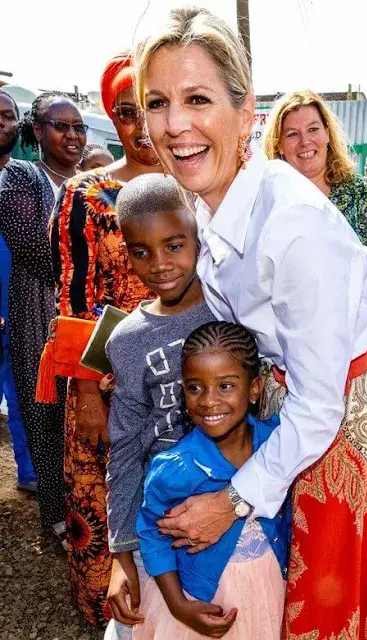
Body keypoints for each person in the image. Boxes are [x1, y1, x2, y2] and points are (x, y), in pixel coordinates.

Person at [135, 8, 367, 638]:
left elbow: (317, 409)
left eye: (197, 99)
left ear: (244, 110)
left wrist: (232, 503)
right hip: (284, 407)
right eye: (158, 102)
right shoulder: (209, 205)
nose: (175, 125)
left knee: (323, 605)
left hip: (337, 423)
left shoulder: (292, 224)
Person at [50, 52, 160, 627]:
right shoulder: (86, 195)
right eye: (126, 112)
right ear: (110, 117)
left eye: (151, 108)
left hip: (179, 376)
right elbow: (74, 302)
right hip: (108, 382)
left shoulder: (193, 186)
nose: (141, 126)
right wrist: (88, 391)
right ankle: (109, 615)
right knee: (105, 494)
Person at [103, 174, 217, 639]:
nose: (160, 265)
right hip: (163, 524)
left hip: (240, 508)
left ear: (197, 234)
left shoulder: (232, 308)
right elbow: (126, 450)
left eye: (174, 245)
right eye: (141, 251)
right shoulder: (128, 340)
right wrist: (121, 554)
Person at [262, 90, 367, 410]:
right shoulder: (266, 206)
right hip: (290, 379)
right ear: (278, 145)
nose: (305, 142)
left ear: (328, 135)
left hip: (360, 374)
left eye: (313, 129)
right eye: (292, 134)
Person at [135, 320, 289, 640]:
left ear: (255, 389)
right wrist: (177, 605)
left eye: (225, 385)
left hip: (270, 585)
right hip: (196, 599)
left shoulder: (278, 445)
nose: (208, 400)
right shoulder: (173, 468)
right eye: (195, 387)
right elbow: (152, 533)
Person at [0, 92, 86, 541]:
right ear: (37, 131)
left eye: (78, 127)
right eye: (61, 126)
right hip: (40, 320)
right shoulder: (19, 178)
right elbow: (37, 254)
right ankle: (57, 517)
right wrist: (93, 256)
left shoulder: (95, 177)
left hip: (87, 321)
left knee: (91, 419)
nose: (72, 136)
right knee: (45, 417)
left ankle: (95, 512)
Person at [0, 90, 36, 492]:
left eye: (8, 115)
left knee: (23, 388)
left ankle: (30, 472)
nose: (2, 122)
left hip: (20, 305)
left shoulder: (28, 181)